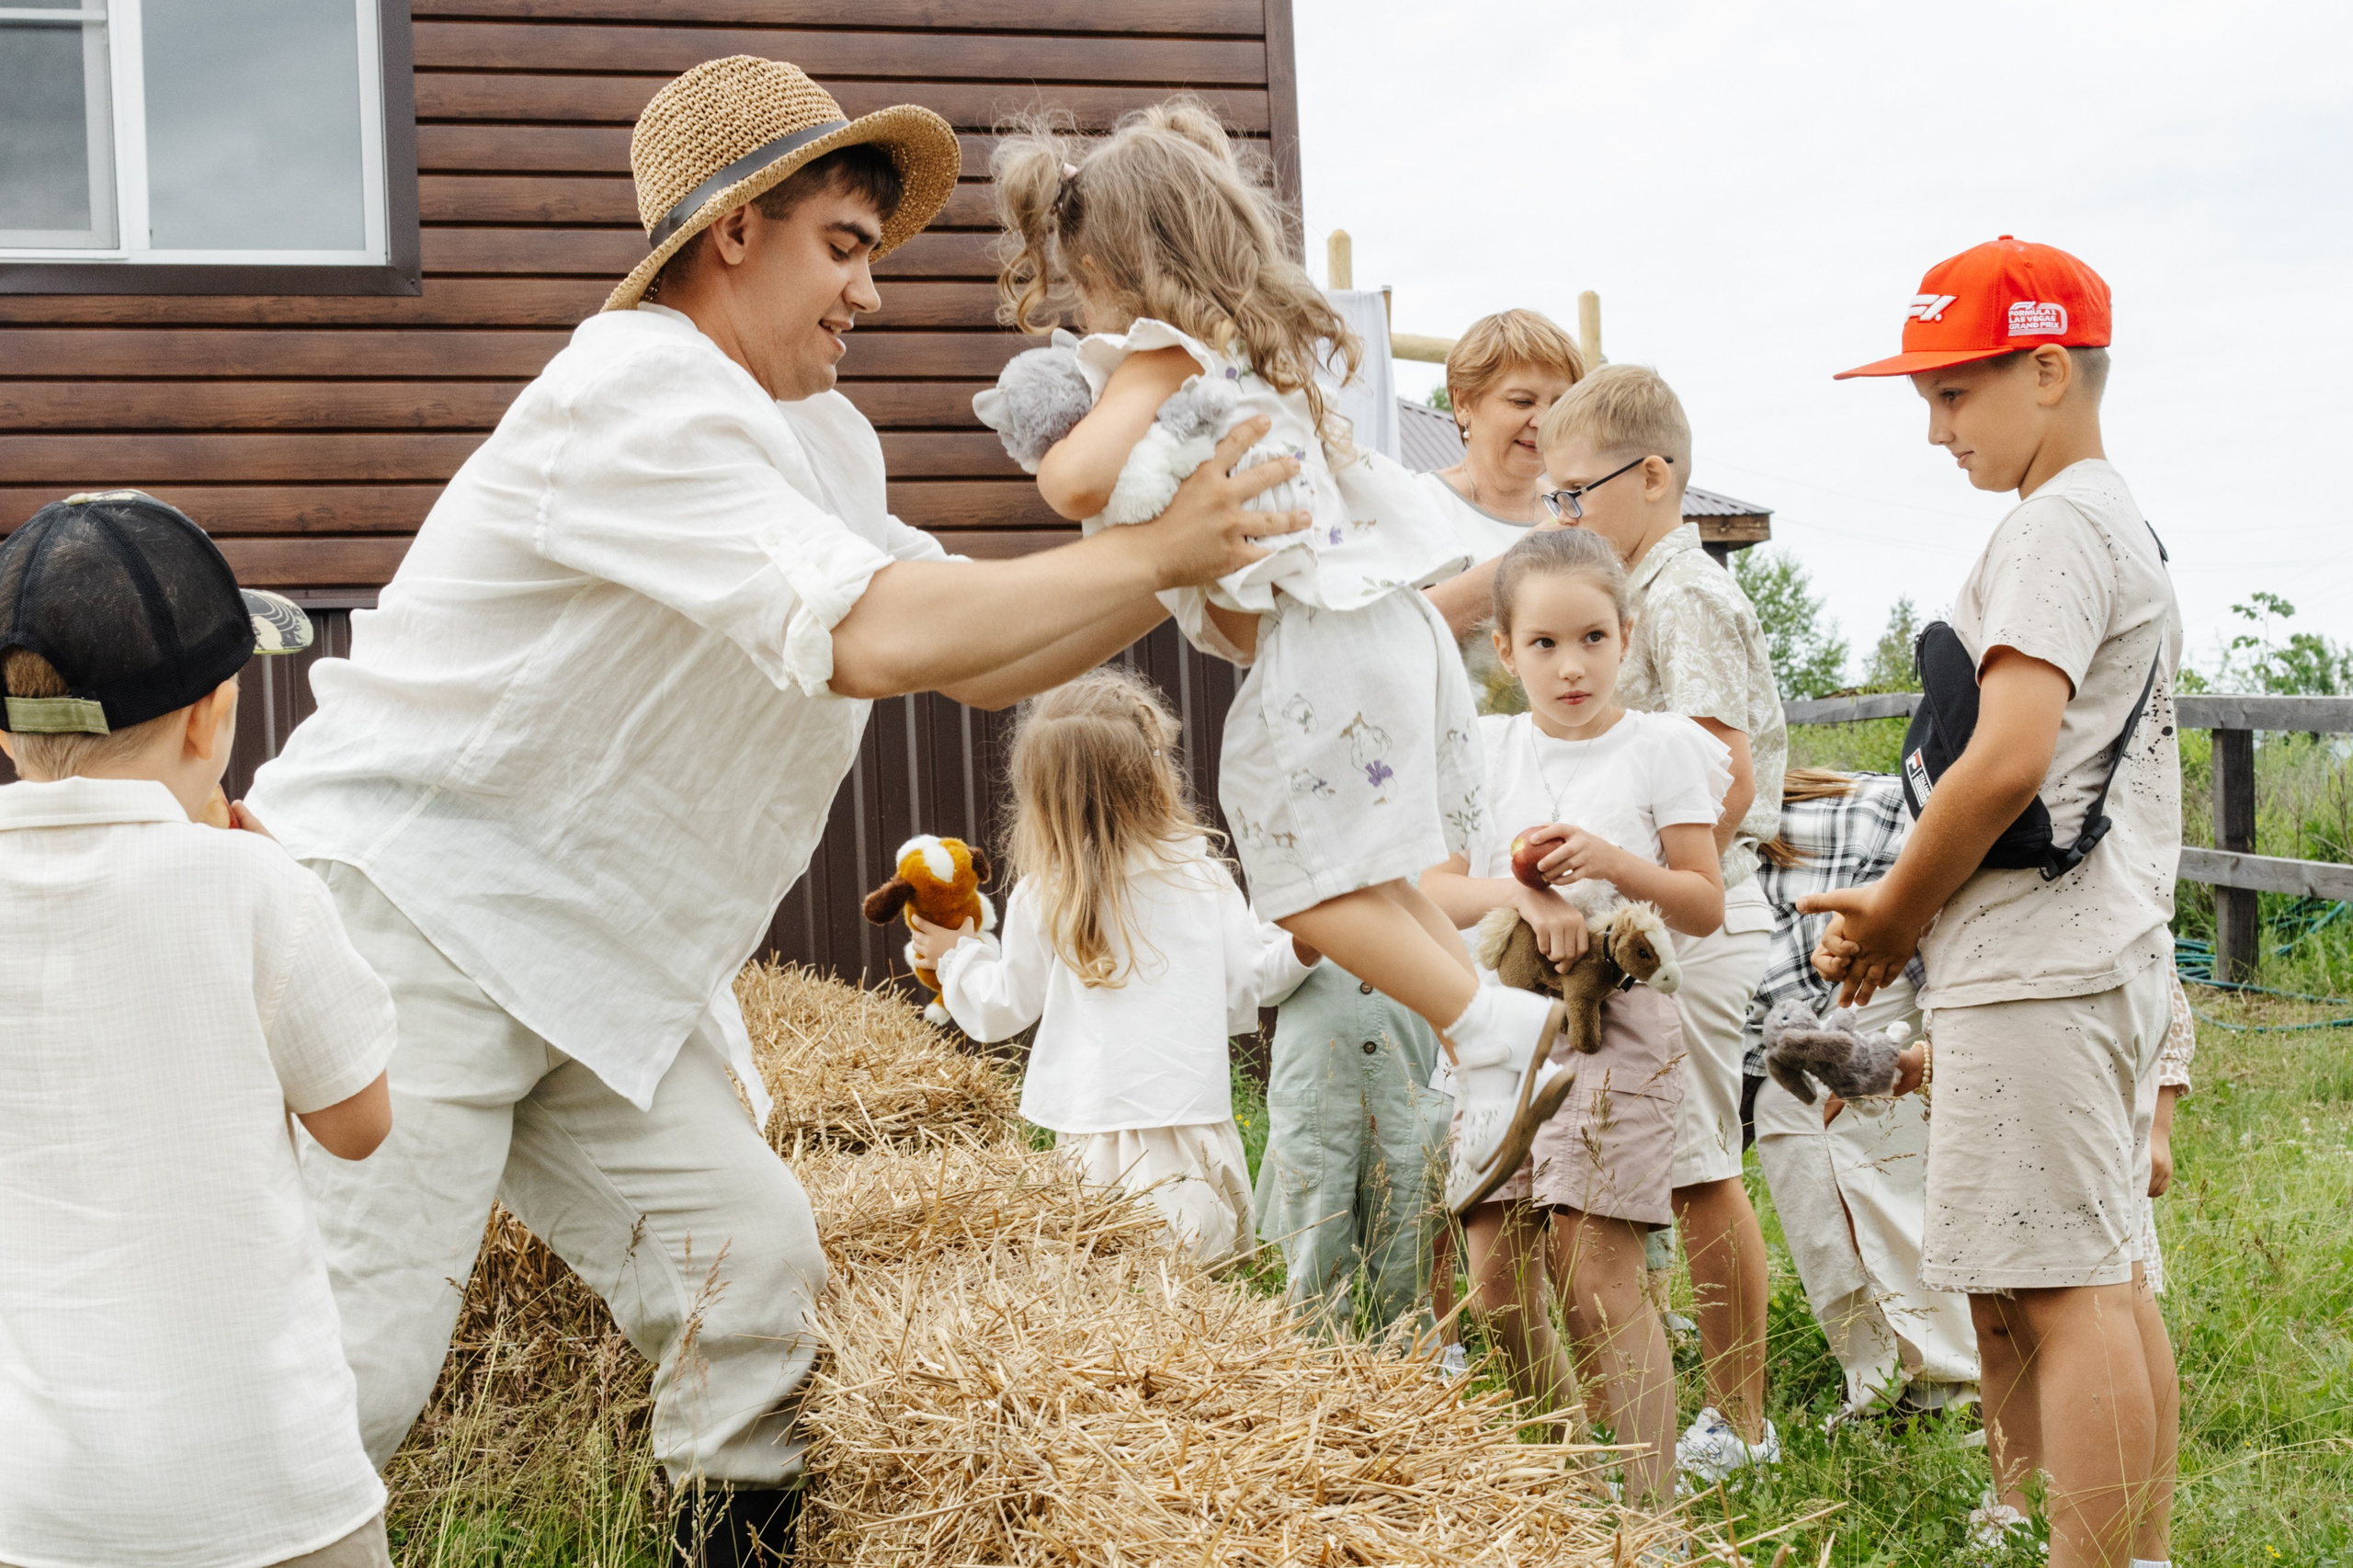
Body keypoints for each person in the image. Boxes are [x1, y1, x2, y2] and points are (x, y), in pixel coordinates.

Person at [244, 57, 1311, 1567]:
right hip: (418, 920)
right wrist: (1161, 550)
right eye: (845, 248)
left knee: (748, 1278)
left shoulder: (818, 440)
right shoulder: (633, 398)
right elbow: (874, 630)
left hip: (594, 961)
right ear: (735, 230)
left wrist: (1184, 568)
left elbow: (972, 644)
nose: (869, 294)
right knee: (351, 1375)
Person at [992, 103, 1567, 1221]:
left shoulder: (1160, 355)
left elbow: (1070, 486)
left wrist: (1081, 395)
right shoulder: (1267, 353)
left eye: (1078, 283)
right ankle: (1485, 1030)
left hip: (1318, 653)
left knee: (1304, 883)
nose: (1079, 307)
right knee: (1372, 874)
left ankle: (1485, 1028)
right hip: (1388, 631)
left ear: (1113, 261)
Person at [1813, 236, 2182, 1568]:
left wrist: (1899, 915)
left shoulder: (2054, 526)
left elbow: (2010, 753)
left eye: (1953, 393)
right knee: (2105, 1274)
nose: (1933, 428)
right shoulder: (2115, 522)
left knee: (2062, 1285)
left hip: (2037, 958)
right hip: (2094, 947)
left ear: (2045, 368)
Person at [0, 494, 398, 1568]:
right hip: (270, 1492)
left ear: (5, 729)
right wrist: (273, 879)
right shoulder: (251, 885)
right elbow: (359, 1122)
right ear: (208, 717)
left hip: (36, 1508)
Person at [1252, 309, 1582, 1342]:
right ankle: (1432, 1329)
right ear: (1464, 409)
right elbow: (1381, 636)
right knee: (1430, 1093)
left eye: (1557, 403)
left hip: (1549, 787)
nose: (1539, 423)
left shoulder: (1584, 509)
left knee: (1552, 1090)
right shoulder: (1418, 516)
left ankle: (1549, 1318)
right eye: (1520, 401)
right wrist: (1523, 566)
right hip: (1437, 792)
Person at [1422, 525, 1728, 1506]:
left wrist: (1606, 862)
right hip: (1494, 1017)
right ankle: (1567, 1488)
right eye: (1544, 644)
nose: (1571, 665)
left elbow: (1701, 900)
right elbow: (1434, 888)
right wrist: (1524, 899)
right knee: (1498, 1281)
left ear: (1626, 637)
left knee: (1595, 1274)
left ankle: (1651, 1508)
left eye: (1593, 638)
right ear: (1504, 651)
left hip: (1617, 1023)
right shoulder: (1483, 748)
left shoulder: (1661, 749)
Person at [1537, 365, 1786, 1479]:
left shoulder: (1681, 596)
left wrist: (1645, 888)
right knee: (1674, 1162)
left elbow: (1718, 771)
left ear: (1651, 476)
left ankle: (1740, 1419)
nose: (1564, 517)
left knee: (1697, 1167)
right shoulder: (1644, 590)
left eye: (1575, 494)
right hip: (1654, 919)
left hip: (1688, 922)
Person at [913, 669, 1313, 1268]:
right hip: (1192, 1137)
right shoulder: (1198, 876)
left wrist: (958, 957)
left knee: (1112, 1299)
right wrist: (1311, 942)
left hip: (1095, 1145)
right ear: (1154, 774)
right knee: (1196, 1312)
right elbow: (1257, 976)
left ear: (1045, 796)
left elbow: (1001, 1007)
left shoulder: (1049, 892)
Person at [1744, 768, 1978, 1427]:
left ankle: (1951, 1375)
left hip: (1905, 964)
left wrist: (1876, 919)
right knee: (1786, 1125)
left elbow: (1952, 837)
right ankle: (1874, 1374)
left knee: (1872, 1138)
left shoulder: (1831, 815)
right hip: (1799, 1019)